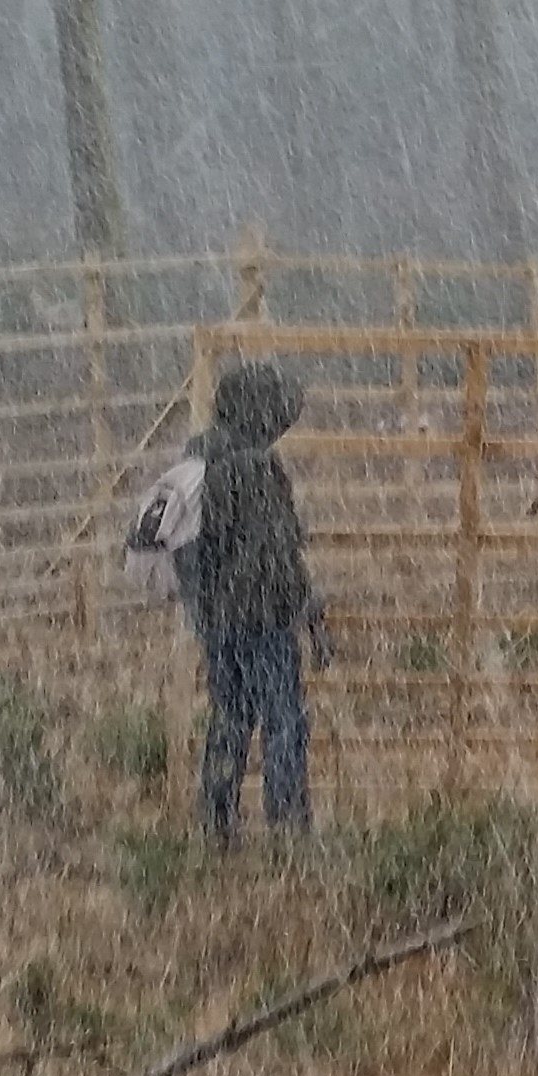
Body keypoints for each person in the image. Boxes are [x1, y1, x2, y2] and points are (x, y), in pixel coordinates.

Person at [181, 359, 325, 846]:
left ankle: (216, 817)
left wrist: (207, 613)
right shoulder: (258, 469)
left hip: (218, 620)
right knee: (284, 720)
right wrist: (309, 613)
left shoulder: (203, 461)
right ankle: (288, 826)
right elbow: (280, 555)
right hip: (262, 618)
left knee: (231, 717)